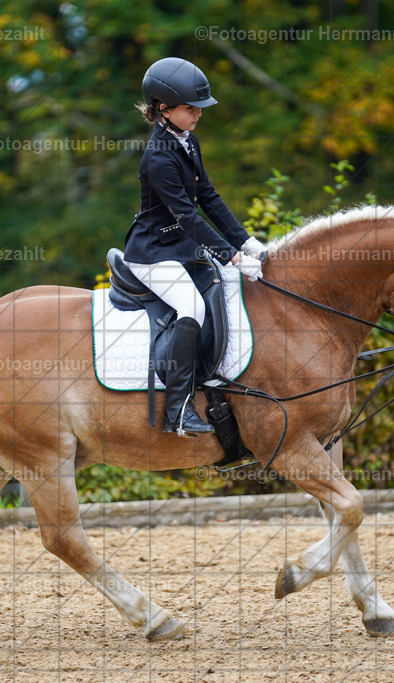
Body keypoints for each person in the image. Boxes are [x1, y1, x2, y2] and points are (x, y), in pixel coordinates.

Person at [125, 57, 266, 436]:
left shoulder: (188, 141)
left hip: (180, 249)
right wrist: (233, 257)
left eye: (199, 108)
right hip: (153, 253)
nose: (198, 115)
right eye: (191, 109)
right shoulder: (158, 158)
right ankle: (177, 411)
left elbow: (209, 197)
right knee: (192, 308)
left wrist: (248, 243)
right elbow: (188, 218)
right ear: (163, 109)